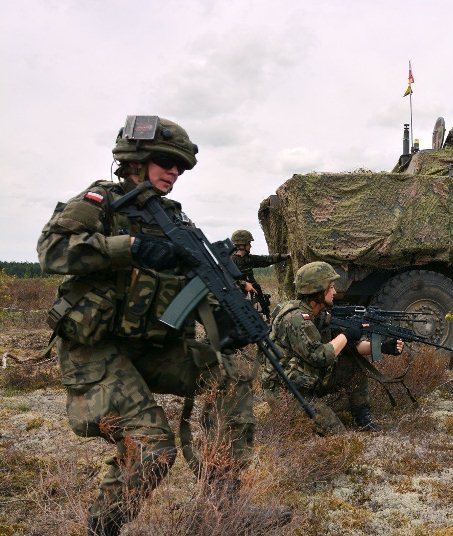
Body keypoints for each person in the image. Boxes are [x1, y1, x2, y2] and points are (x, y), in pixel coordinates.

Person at [37, 116, 278, 535]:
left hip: (150, 345)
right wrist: (129, 247)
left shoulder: (174, 218)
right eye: (166, 162)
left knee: (230, 375)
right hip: (96, 348)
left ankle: (226, 504)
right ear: (136, 159)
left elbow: (191, 284)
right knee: (153, 447)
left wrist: (227, 321)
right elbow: (52, 250)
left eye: (180, 167)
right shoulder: (102, 201)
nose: (174, 172)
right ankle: (102, 528)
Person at [264, 261, 404, 436]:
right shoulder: (296, 319)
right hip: (286, 391)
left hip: (305, 379)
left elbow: (345, 347)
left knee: (352, 365)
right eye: (330, 287)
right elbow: (320, 356)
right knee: (337, 434)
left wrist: (382, 347)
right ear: (318, 291)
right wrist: (346, 334)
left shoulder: (319, 313)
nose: (335, 292)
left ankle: (363, 418)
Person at [230, 229, 289, 316]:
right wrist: (244, 284)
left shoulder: (248, 259)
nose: (250, 246)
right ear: (242, 245)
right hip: (234, 300)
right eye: (249, 243)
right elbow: (226, 280)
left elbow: (266, 260)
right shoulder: (230, 262)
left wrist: (285, 256)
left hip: (246, 297)